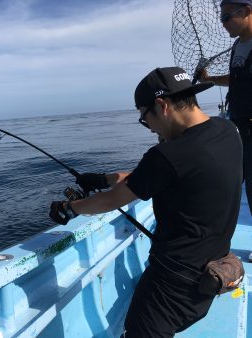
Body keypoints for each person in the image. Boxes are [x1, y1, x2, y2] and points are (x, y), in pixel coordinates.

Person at [50, 66, 243, 337]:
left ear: (162, 105)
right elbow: (170, 173)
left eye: (144, 117)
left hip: (173, 284)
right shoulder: (228, 131)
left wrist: (69, 208)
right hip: (215, 272)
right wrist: (102, 178)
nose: (148, 127)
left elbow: (110, 202)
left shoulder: (167, 154)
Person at [199, 0, 252, 214]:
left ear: (247, 11)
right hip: (240, 129)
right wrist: (209, 79)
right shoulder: (238, 46)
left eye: (226, 17)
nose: (223, 24)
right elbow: (237, 79)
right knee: (228, 188)